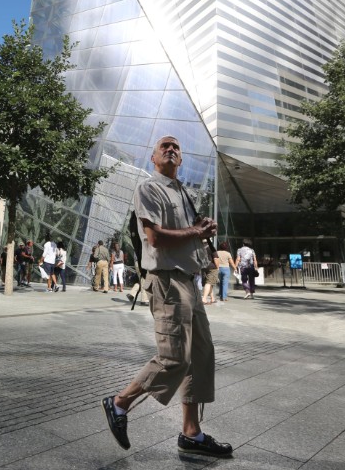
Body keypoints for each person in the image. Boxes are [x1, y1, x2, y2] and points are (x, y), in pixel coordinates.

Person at [101, 136, 231, 457]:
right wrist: (195, 232)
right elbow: (155, 237)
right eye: (165, 147)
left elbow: (191, 233)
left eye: (176, 147)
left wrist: (204, 227)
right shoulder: (149, 189)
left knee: (201, 354)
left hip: (189, 279)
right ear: (154, 159)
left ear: (181, 160)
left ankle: (191, 433)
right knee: (174, 358)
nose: (172, 149)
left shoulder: (183, 192)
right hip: (167, 280)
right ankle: (119, 403)